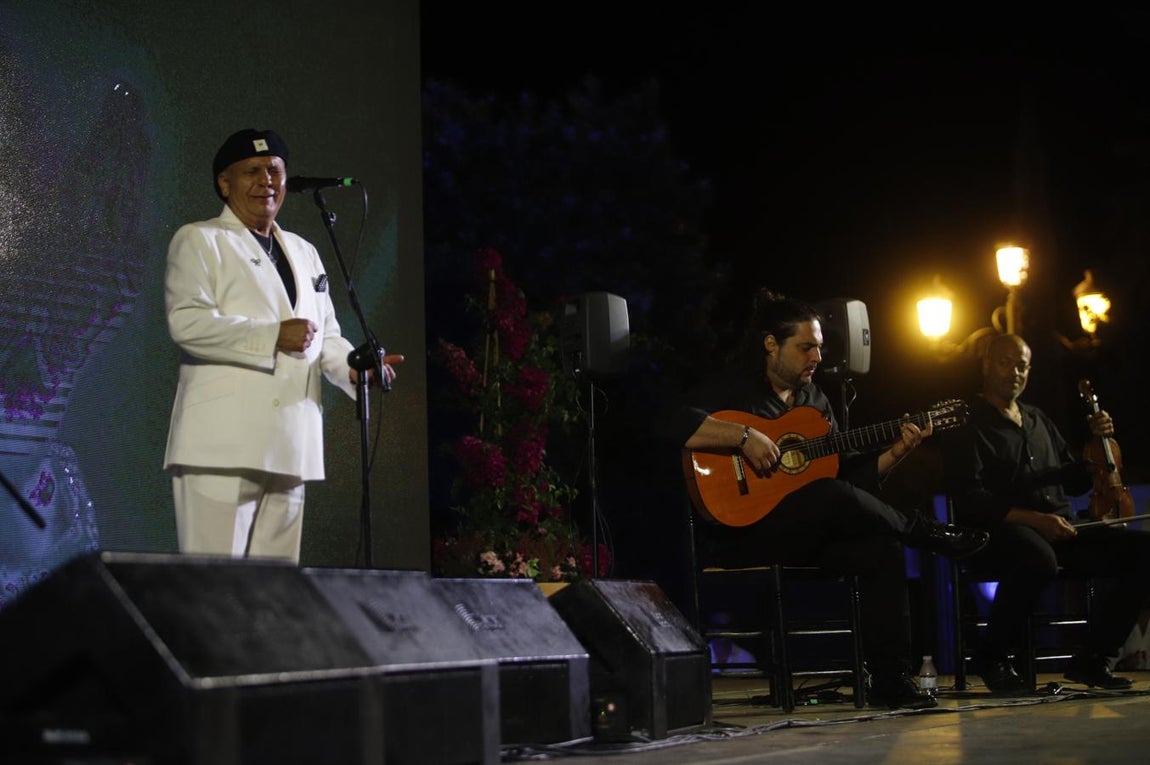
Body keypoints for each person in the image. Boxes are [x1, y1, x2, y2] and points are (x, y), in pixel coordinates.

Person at [664, 289, 989, 710]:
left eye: (819, 347)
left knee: (881, 546)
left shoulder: (815, 402)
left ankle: (890, 679)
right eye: (806, 347)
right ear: (771, 345)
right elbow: (670, 421)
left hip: (806, 533)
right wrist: (744, 436)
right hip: (744, 533)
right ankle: (923, 532)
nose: (817, 357)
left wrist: (896, 453)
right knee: (833, 497)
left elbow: (847, 482)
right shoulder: (734, 386)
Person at [163, 128, 402, 564]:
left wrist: (353, 370)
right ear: (224, 183)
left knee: (274, 592)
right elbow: (188, 323)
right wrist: (272, 335)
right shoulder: (200, 239)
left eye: (275, 170)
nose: (266, 181)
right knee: (214, 589)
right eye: (252, 171)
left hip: (292, 443)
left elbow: (325, 335)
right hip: (221, 446)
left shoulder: (304, 250)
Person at [943, 333, 1150, 693]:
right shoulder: (968, 423)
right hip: (998, 533)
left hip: (1059, 528)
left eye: (1022, 366)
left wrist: (1096, 445)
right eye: (1005, 363)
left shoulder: (1037, 418)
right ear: (986, 365)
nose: (1015, 372)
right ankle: (992, 658)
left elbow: (1073, 482)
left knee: (1143, 551)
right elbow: (971, 500)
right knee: (1038, 559)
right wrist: (1036, 520)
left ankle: (1093, 659)